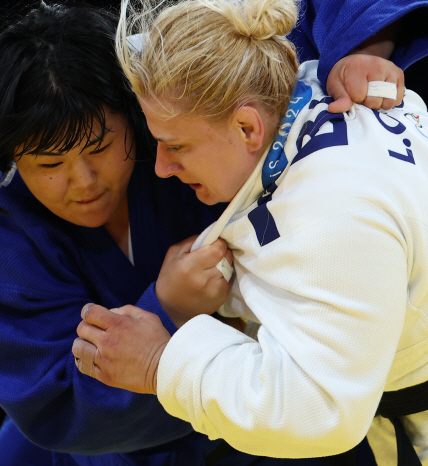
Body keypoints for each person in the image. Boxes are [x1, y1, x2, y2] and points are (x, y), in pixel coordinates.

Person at [72, 1, 428, 465]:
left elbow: (323, 413)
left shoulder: (333, 217)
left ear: (247, 126)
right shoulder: (313, 90)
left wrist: (160, 362)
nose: (161, 168)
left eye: (176, 145)